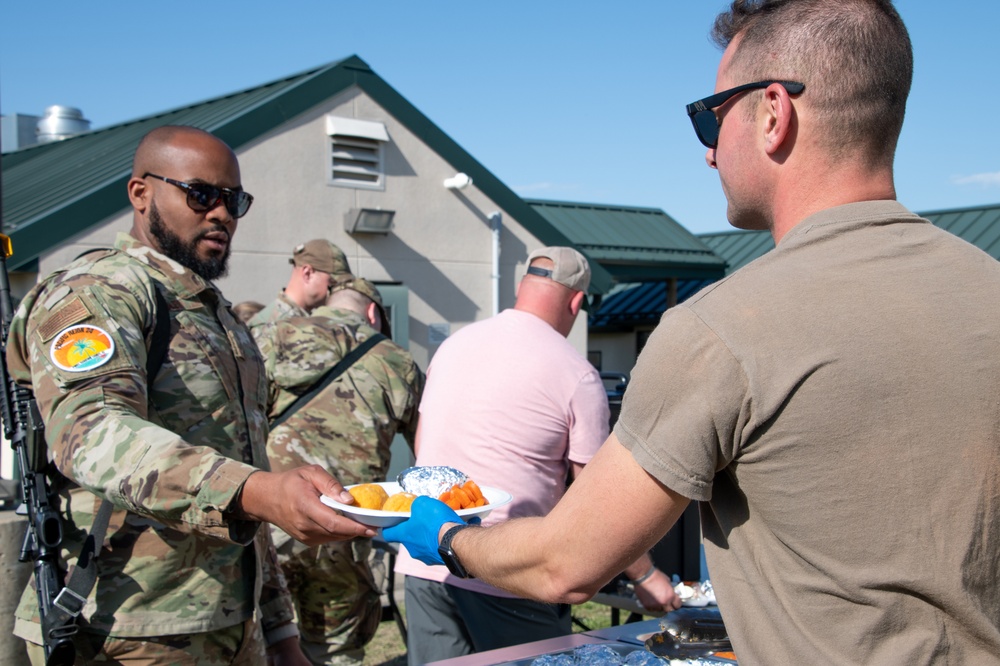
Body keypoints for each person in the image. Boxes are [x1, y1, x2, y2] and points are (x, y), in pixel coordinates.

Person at [383, 1, 1000, 663]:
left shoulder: (722, 330)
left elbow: (564, 565)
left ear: (772, 113)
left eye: (709, 117)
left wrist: (447, 538)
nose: (708, 153)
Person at [7, 125, 376, 665]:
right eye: (202, 194)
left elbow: (247, 469)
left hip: (232, 620)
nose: (222, 214)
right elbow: (92, 433)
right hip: (128, 626)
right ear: (141, 193)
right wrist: (258, 491)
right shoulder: (99, 292)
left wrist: (279, 632)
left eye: (234, 200)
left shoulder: (217, 316)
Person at [393, 246, 679, 665]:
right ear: (576, 301)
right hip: (509, 572)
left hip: (426, 560)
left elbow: (426, 448)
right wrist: (647, 576)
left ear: (522, 288)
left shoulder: (453, 346)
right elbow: (604, 497)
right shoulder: (574, 372)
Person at [255, 277, 424, 666]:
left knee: (264, 644)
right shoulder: (396, 360)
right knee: (335, 650)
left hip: (270, 520)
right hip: (343, 532)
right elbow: (427, 453)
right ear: (371, 313)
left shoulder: (272, 337)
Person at [249, 239, 352, 327]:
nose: (339, 291)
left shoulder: (302, 319)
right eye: (333, 283)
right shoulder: (273, 325)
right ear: (307, 274)